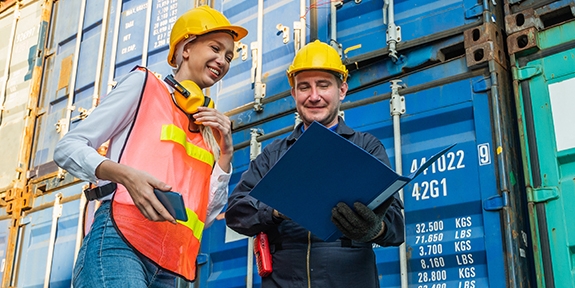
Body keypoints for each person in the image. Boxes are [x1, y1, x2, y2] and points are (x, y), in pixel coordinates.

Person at [54, 6, 247, 287]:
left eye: (229, 56)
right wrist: (126, 176)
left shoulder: (211, 130)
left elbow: (203, 218)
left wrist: (226, 154)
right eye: (215, 48)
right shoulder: (144, 85)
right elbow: (67, 147)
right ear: (185, 49)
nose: (223, 60)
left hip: (169, 263)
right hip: (120, 242)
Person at [225, 40, 405, 288]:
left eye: (323, 86)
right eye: (304, 87)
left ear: (341, 90)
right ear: (293, 94)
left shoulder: (366, 147)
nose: (314, 96)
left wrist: (374, 230)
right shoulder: (273, 155)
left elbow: (396, 226)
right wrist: (277, 209)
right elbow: (235, 214)